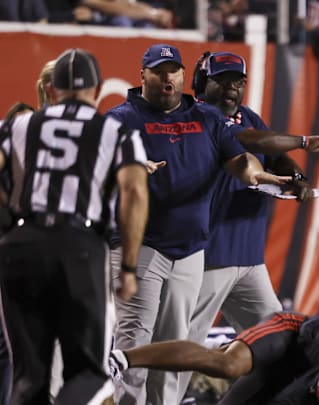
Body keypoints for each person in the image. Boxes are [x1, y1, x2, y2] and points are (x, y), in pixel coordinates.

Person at [105, 43, 291, 405]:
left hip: (191, 250)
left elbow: (239, 159)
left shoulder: (205, 117)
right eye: (158, 71)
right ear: (142, 74)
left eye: (172, 70)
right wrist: (125, 163)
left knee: (176, 343)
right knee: (134, 341)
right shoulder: (121, 118)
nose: (166, 78)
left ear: (181, 74)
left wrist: (257, 176)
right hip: (141, 245)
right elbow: (97, 163)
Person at [177, 50, 319, 398]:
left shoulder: (248, 116)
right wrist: (303, 142)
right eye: (220, 81)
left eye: (237, 82)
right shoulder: (198, 116)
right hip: (208, 256)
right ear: (200, 84)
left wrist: (296, 178)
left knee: (278, 346)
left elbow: (275, 157)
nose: (230, 89)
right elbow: (250, 141)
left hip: (249, 261)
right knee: (184, 351)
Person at [0, 48, 149, 404]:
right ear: (96, 90)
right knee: (88, 374)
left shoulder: (20, 124)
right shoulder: (114, 131)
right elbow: (135, 192)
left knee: (27, 377)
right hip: (78, 246)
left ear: (52, 90)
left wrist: (8, 221)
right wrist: (128, 266)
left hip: (21, 243)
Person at [107, 312, 319, 404]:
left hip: (316, 369)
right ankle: (122, 357)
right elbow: (292, 399)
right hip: (296, 339)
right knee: (227, 363)